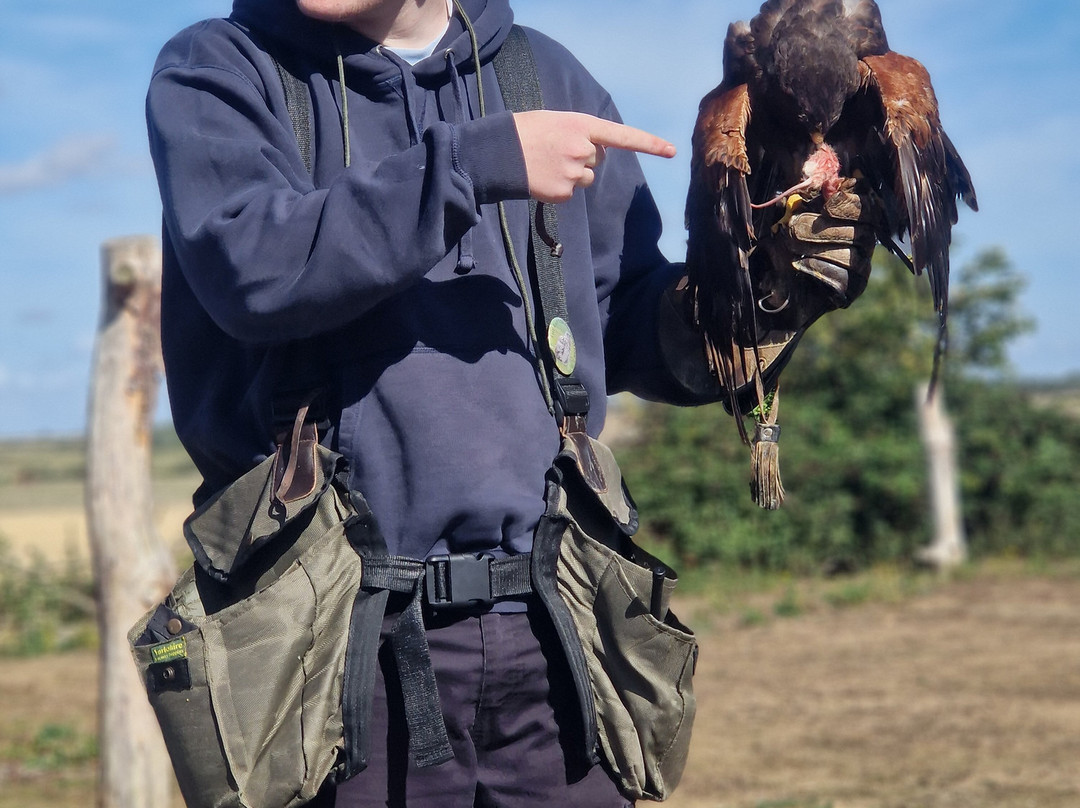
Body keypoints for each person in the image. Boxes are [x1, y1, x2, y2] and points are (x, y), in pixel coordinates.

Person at [146, 0, 873, 805]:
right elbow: (251, 265)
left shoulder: (547, 77)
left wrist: (765, 294)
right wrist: (471, 163)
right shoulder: (220, 67)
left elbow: (632, 327)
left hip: (556, 634)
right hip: (334, 655)